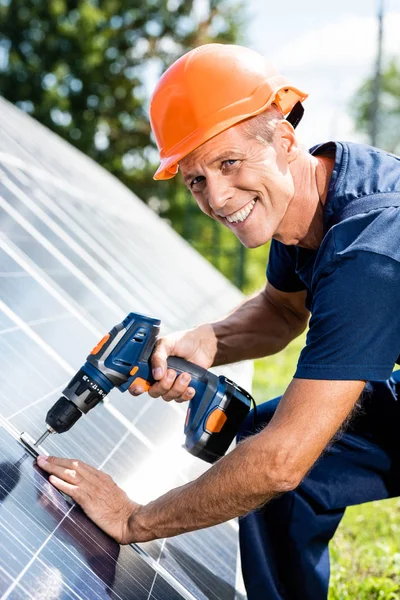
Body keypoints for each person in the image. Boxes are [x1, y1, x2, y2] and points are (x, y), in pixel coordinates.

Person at [37, 44, 400, 599]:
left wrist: (134, 520)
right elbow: (282, 311)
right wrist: (204, 340)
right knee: (270, 449)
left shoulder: (368, 251)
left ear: (283, 139)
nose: (218, 197)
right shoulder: (309, 201)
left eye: (229, 163)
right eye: (195, 179)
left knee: (276, 458)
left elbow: (281, 463)